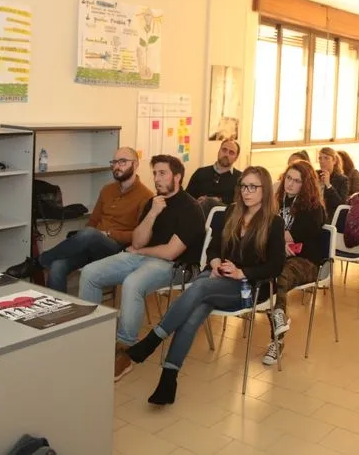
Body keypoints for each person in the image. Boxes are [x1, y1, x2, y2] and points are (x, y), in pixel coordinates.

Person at [121, 167, 285, 404]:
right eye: (243, 186)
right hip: (218, 278)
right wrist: (216, 260)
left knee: (198, 289)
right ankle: (168, 380)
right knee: (195, 310)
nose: (246, 192)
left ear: (265, 190)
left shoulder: (274, 223)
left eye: (253, 187)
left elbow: (275, 266)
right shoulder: (232, 212)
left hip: (250, 287)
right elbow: (213, 247)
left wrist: (242, 272)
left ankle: (153, 340)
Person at [78, 155, 205, 381]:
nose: (156, 178)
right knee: (89, 273)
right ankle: (92, 337)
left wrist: (140, 252)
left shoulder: (191, 208)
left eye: (162, 173)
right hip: (144, 257)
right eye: (154, 173)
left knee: (133, 282)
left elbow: (170, 252)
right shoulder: (153, 203)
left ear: (177, 176)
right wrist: (153, 213)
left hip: (176, 266)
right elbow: (137, 241)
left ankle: (125, 349)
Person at [10, 147, 153, 292]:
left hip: (117, 249)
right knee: (57, 266)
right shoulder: (107, 189)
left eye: (122, 162)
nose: (116, 166)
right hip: (93, 243)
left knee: (89, 233)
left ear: (135, 164)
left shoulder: (146, 196)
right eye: (114, 162)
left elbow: (139, 237)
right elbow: (93, 220)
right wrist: (85, 238)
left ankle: (38, 262)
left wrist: (108, 234)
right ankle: (58, 311)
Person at [265, 160, 326, 365]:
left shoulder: (313, 208)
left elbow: (288, 236)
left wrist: (277, 240)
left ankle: (277, 341)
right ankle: (279, 315)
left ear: (305, 184)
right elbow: (262, 230)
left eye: (296, 181)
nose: (290, 184)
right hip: (279, 257)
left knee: (278, 274)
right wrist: (277, 242)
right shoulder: (276, 200)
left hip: (307, 262)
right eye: (288, 178)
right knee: (268, 271)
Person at [186, 138, 241, 211]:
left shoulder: (240, 178)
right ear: (219, 151)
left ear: (236, 158)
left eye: (231, 152)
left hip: (226, 218)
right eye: (224, 150)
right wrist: (196, 202)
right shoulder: (200, 173)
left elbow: (241, 204)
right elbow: (187, 197)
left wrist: (218, 200)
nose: (226, 154)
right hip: (200, 216)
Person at [317, 147, 349, 223]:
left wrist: (328, 185)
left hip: (330, 216)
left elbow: (340, 204)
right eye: (320, 158)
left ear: (334, 161)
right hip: (315, 212)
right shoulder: (315, 175)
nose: (322, 161)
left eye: (326, 158)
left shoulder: (342, 179)